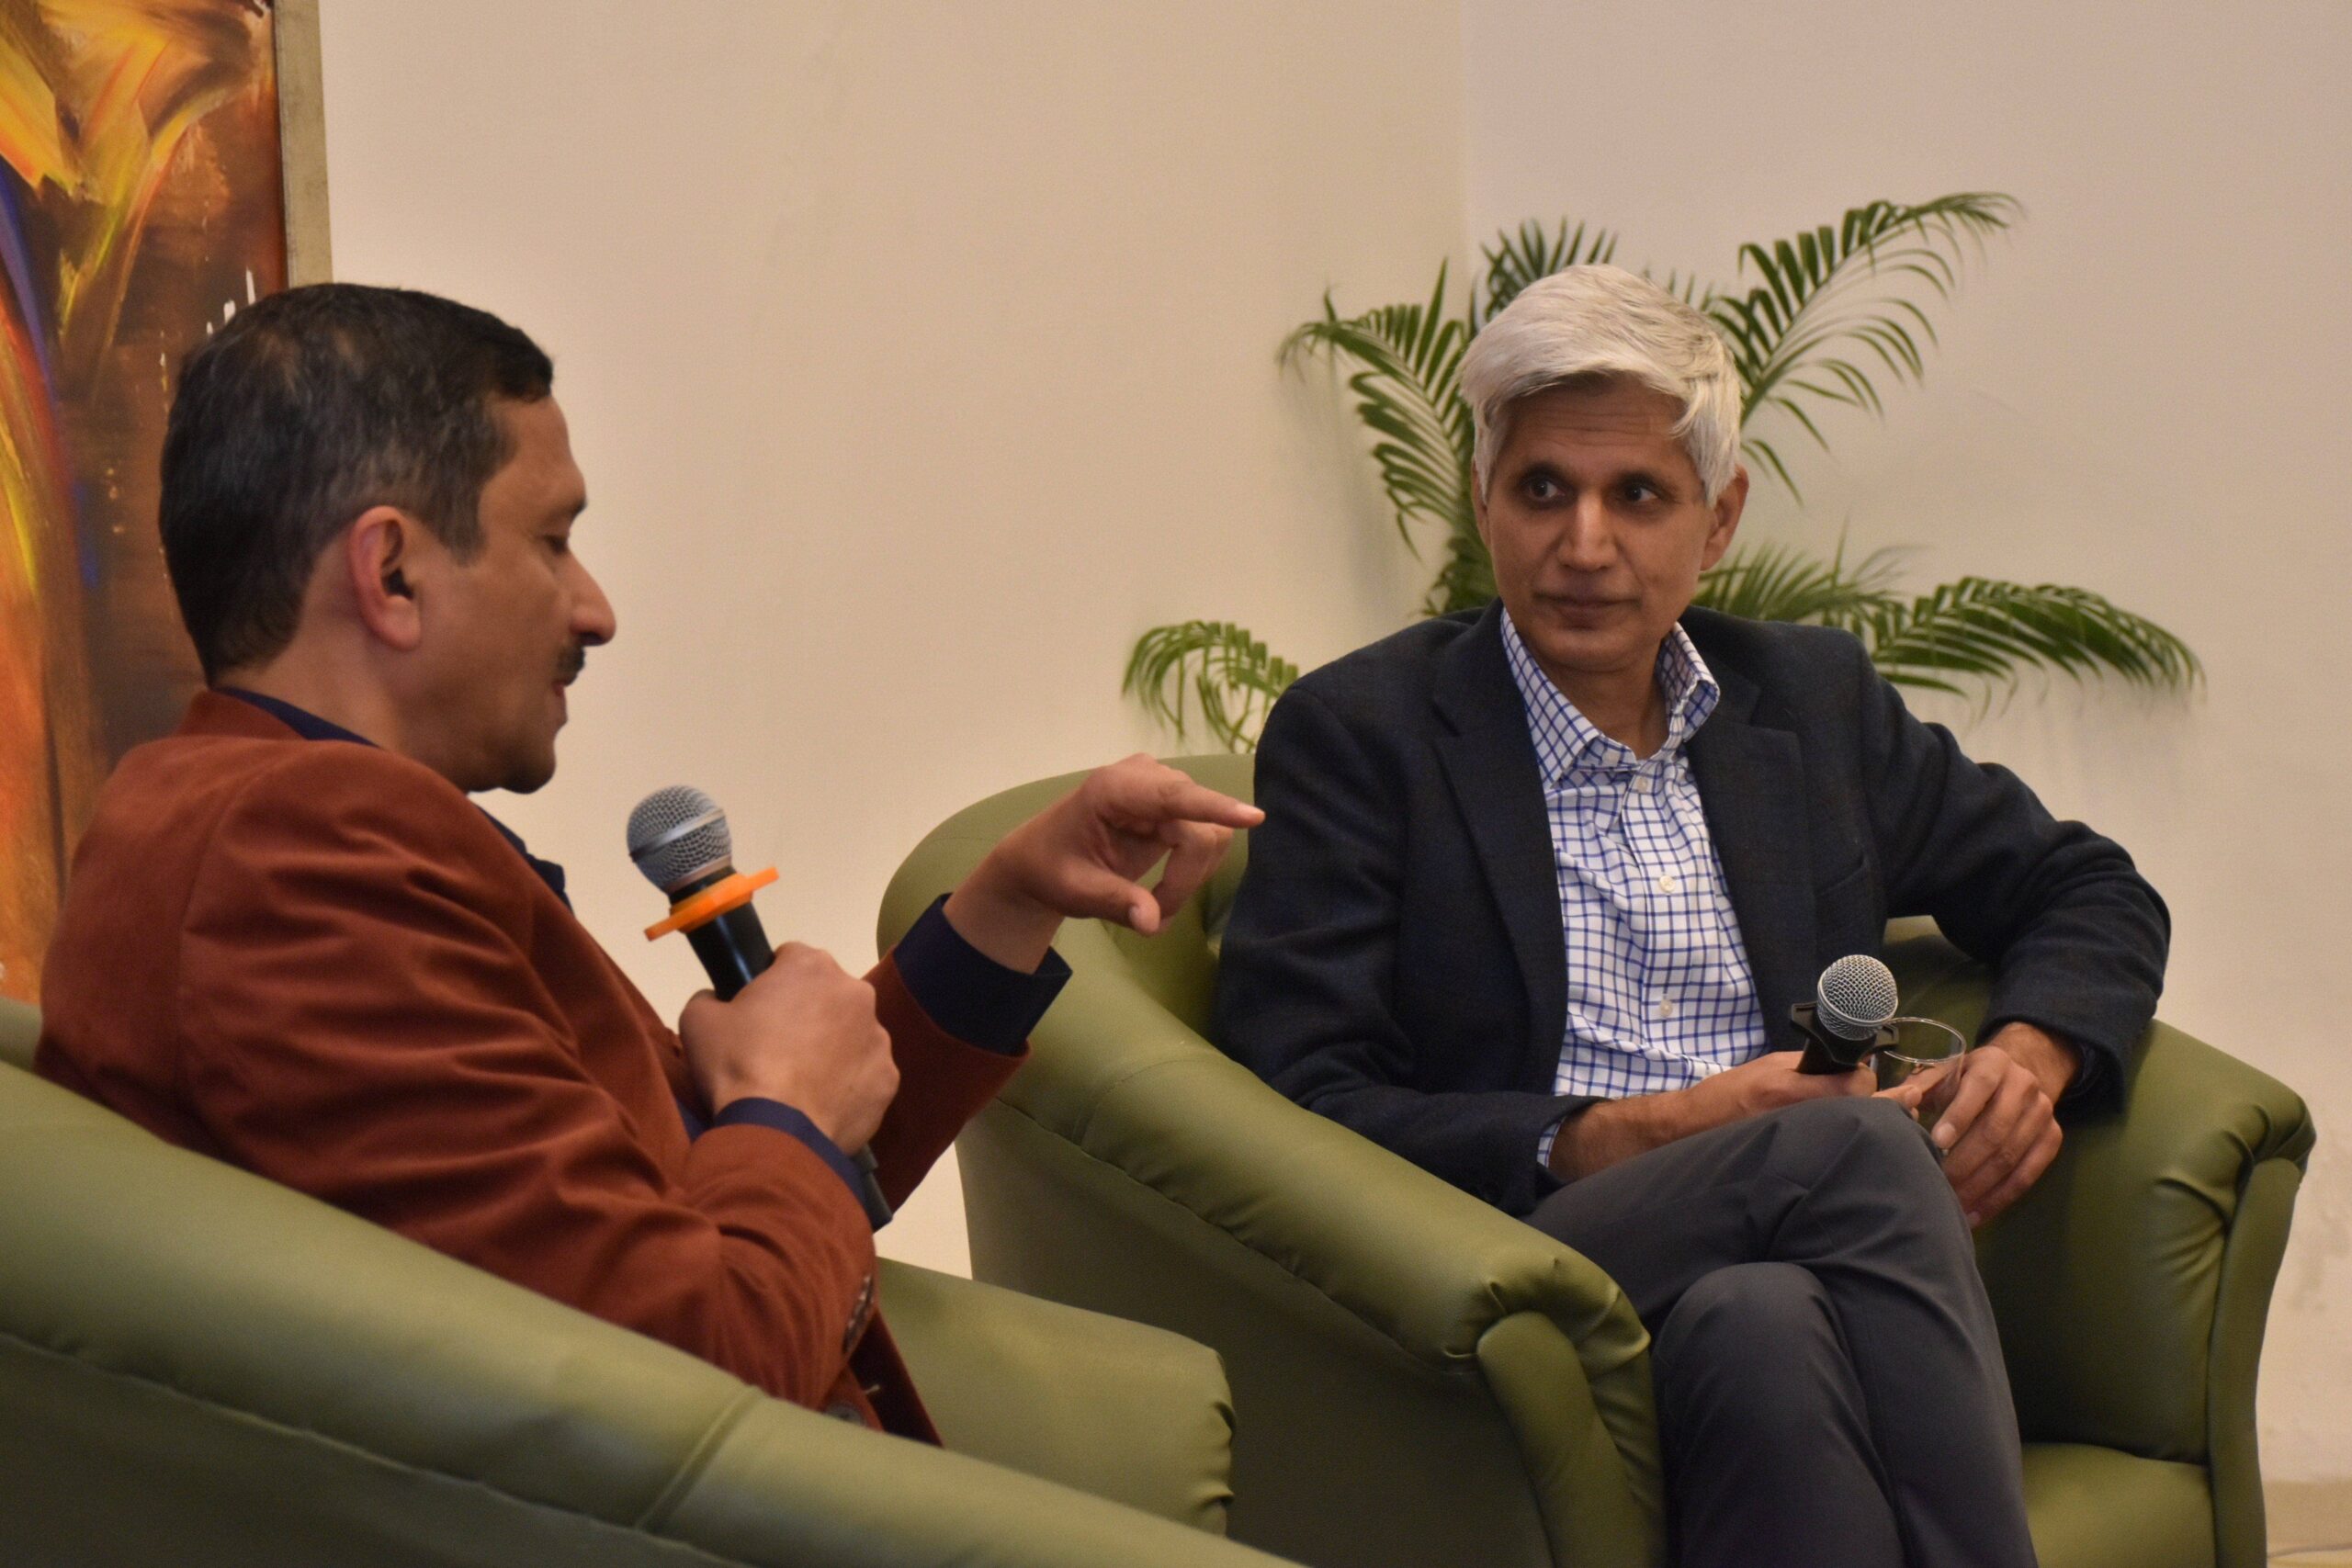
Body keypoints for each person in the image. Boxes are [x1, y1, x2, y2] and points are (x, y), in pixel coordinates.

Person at [36, 282, 1260, 1441]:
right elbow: (698, 1370)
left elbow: (716, 1190)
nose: (596, 609)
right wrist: (785, 1106)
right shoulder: (296, 866)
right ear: (392, 572)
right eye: (555, 541)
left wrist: (1008, 905)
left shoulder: (255, 816)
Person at [1216, 265, 2167, 1567]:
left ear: (1717, 521)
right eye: (1542, 487)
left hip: (1777, 1276)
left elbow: (2088, 885)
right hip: (1523, 1251)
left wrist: (2032, 1055)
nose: (1585, 542)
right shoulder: (1366, 736)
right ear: (1486, 502)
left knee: (1759, 1324)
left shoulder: (1809, 704)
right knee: (1863, 1148)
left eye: (1638, 496)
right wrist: (1634, 1133)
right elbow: (1299, 1101)